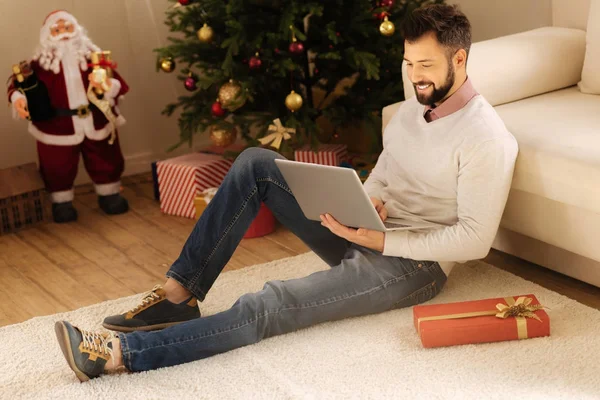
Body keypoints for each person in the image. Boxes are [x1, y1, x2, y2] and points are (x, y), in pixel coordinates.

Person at [54, 4, 519, 382]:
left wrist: (383, 241)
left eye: (426, 65)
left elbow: (475, 240)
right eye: (408, 62)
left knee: (272, 302)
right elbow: (386, 169)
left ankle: (119, 354)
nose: (414, 75)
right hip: (369, 231)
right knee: (257, 162)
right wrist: (367, 202)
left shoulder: (487, 138)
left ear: (459, 60)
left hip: (413, 267)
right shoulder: (414, 106)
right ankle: (180, 292)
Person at [7, 10, 130, 223]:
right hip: (56, 125)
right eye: (57, 29)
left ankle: (109, 194)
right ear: (48, 34)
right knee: (57, 165)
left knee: (105, 157)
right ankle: (61, 201)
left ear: (77, 30)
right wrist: (19, 99)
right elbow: (17, 85)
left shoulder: (94, 57)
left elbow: (116, 81)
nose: (63, 33)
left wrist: (109, 85)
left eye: (67, 28)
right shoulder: (38, 65)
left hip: (95, 119)